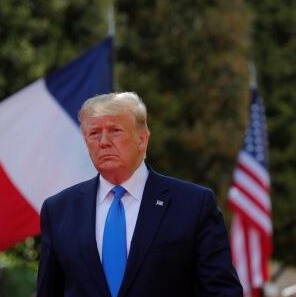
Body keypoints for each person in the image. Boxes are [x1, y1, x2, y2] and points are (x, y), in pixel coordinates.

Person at [37, 92, 242, 297]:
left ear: (142, 139)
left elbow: (222, 291)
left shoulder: (193, 205)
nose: (104, 141)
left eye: (115, 131)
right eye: (94, 133)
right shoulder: (58, 211)